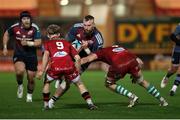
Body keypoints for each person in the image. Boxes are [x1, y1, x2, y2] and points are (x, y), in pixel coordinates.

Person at [81, 45, 168, 107]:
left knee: (109, 83)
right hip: (132, 62)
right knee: (142, 81)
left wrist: (75, 62)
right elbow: (140, 62)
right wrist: (135, 75)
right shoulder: (119, 47)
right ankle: (162, 100)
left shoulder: (100, 51)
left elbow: (88, 58)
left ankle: (131, 96)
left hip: (119, 65)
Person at [36, 24, 97, 110]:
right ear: (59, 34)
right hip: (69, 66)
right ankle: (90, 104)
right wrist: (77, 71)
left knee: (47, 82)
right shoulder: (67, 43)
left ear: (48, 35)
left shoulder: (47, 43)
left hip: (55, 66)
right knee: (79, 83)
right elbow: (78, 58)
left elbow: (46, 55)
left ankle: (46, 105)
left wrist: (42, 71)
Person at [55, 15, 106, 88]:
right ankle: (60, 78)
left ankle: (60, 89)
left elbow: (95, 57)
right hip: (73, 52)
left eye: (89, 25)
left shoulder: (98, 38)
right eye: (84, 25)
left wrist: (86, 48)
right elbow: (67, 42)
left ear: (93, 25)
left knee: (73, 78)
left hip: (86, 58)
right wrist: (75, 47)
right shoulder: (76, 27)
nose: (86, 28)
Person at [2, 11, 42, 102]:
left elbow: (39, 42)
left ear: (30, 19)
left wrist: (28, 43)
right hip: (19, 54)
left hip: (31, 56)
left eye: (28, 18)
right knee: (19, 72)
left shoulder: (35, 28)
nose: (26, 20)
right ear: (21, 20)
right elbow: (6, 34)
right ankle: (20, 85)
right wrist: (5, 47)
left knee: (31, 78)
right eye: (24, 19)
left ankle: (29, 96)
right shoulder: (15, 27)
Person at [161, 24, 180, 96]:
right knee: (173, 70)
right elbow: (172, 36)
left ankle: (174, 88)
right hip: (178, 50)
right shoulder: (179, 26)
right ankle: (166, 77)